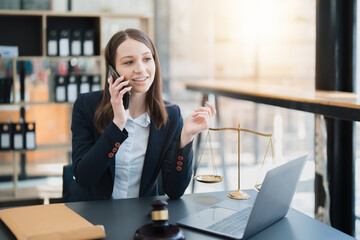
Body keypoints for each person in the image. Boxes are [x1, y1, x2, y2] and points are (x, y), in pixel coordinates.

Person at [64, 28, 216, 202]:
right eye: (128, 62)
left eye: (146, 59)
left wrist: (186, 137)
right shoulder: (86, 106)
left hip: (143, 217)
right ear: (112, 71)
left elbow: (175, 190)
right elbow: (85, 178)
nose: (140, 69)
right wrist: (117, 124)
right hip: (94, 214)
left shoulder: (171, 116)